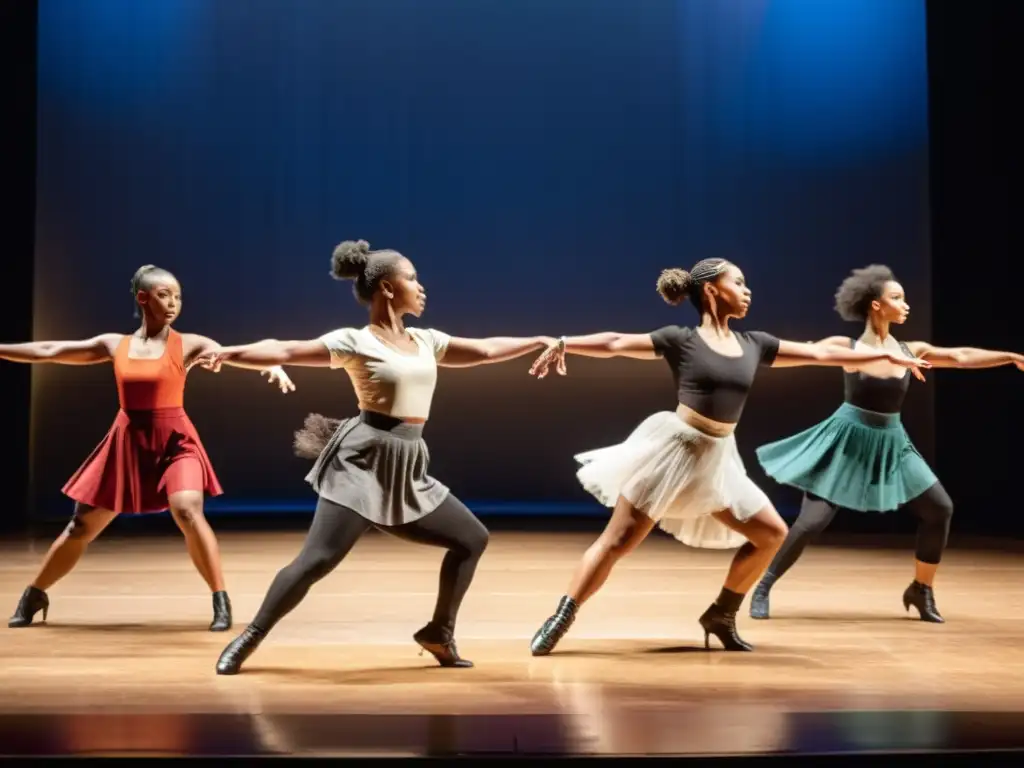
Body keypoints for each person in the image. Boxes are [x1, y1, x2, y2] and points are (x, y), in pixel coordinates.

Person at [526, 258, 930, 655]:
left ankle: (721, 614)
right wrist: (565, 343)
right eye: (738, 282)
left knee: (771, 534)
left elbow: (820, 355)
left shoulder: (754, 343)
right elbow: (615, 342)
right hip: (675, 449)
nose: (747, 290)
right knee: (617, 541)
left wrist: (886, 356)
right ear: (711, 290)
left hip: (718, 457)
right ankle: (561, 616)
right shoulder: (681, 339)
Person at [204, 239, 557, 675]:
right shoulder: (354, 341)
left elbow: (483, 351)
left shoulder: (426, 340)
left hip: (407, 464)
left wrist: (538, 339)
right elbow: (286, 349)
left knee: (472, 539)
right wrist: (228, 353)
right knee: (317, 561)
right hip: (362, 461)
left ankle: (438, 633)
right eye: (412, 278)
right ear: (388, 288)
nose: (421, 286)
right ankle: (250, 637)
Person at [2, 264, 296, 632]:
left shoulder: (189, 344)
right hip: (126, 441)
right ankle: (35, 593)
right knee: (81, 526)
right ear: (143, 298)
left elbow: (240, 352)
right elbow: (50, 349)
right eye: (164, 295)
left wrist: (271, 365)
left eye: (177, 296)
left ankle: (221, 601)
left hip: (176, 441)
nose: (173, 303)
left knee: (187, 509)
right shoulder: (115, 345)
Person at [750, 264, 1023, 624]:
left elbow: (959, 356)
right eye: (897, 298)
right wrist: (744, 356)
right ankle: (763, 585)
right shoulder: (845, 346)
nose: (905, 304)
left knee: (939, 508)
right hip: (845, 441)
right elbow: (801, 354)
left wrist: (1011, 356)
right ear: (875, 305)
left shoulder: (911, 348)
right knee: (810, 523)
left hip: (892, 442)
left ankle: (920, 590)